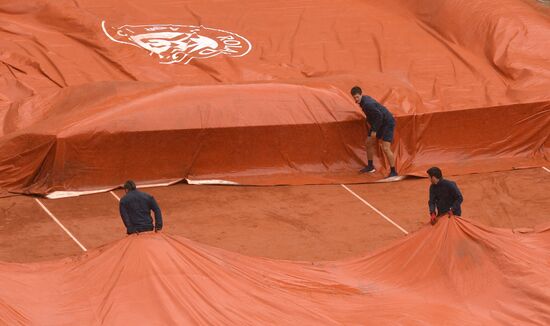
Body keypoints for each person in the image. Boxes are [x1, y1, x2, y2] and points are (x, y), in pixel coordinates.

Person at [350, 86, 398, 178]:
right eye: (354, 97)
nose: (356, 99)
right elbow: (375, 116)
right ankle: (370, 166)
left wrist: (374, 131)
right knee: (368, 143)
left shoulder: (368, 104)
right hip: (378, 123)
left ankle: (393, 171)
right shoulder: (363, 101)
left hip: (387, 122)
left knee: (386, 147)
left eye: (357, 97)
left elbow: (379, 116)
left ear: (361, 94)